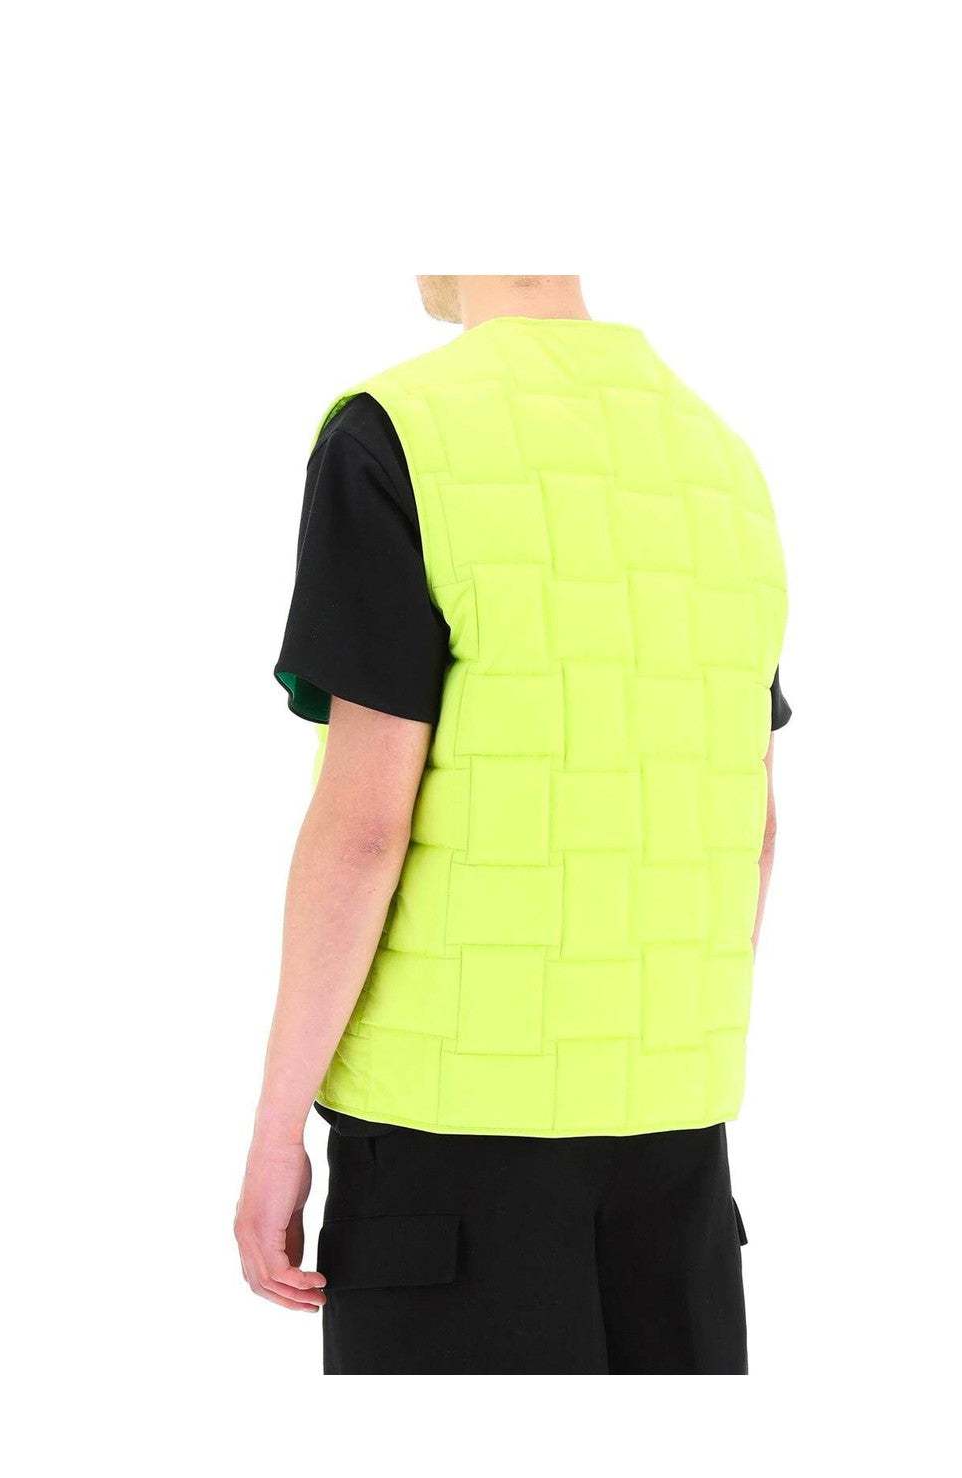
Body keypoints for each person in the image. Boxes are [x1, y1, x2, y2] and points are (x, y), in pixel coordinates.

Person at [235, 275, 791, 1374]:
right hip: (678, 1160)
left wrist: (273, 1133)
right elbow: (753, 823)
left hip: (445, 1160)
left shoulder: (394, 434)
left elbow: (363, 828)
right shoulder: (721, 462)